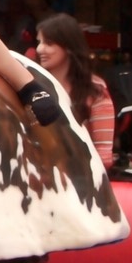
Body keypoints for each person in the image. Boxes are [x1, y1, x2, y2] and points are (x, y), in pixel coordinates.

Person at [35, 15, 114, 170]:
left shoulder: (95, 90)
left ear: (69, 47)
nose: (40, 49)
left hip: (80, 180)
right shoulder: (32, 85)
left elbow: (104, 155)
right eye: (39, 42)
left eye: (48, 43)